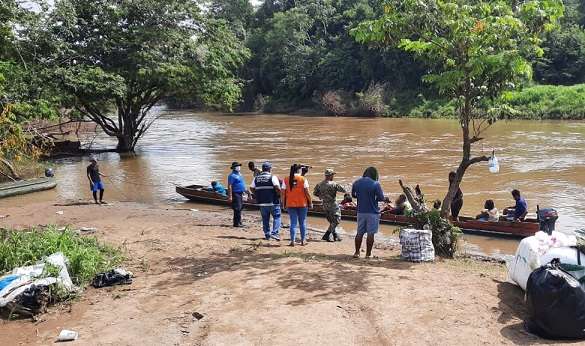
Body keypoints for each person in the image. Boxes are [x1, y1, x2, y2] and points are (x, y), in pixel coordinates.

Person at [351, 167, 385, 258]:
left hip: (360, 212)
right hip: (372, 212)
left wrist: (361, 196)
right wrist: (374, 198)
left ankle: (357, 252)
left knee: (359, 232)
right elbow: (381, 198)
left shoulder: (356, 182)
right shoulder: (375, 184)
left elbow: (353, 195)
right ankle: (368, 254)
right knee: (371, 233)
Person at [250, 162, 282, 241]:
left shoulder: (256, 178)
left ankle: (267, 235)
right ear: (269, 169)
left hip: (262, 203)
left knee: (265, 219)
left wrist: (257, 194)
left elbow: (251, 188)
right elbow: (277, 188)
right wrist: (279, 196)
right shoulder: (272, 177)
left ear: (263, 169)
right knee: (277, 217)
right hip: (273, 202)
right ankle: (275, 233)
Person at [282, 163, 312, 246]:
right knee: (302, 222)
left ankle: (292, 241)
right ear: (299, 170)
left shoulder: (286, 179)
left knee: (293, 223)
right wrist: (310, 202)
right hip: (302, 204)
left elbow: (283, 193)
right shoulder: (303, 179)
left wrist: (283, 204)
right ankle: (303, 241)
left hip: (290, 204)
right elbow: (307, 192)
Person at [313, 168, 346, 242]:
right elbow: (344, 190)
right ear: (330, 175)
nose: (333, 176)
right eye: (333, 175)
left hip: (324, 204)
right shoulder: (334, 184)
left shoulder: (319, 184)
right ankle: (326, 235)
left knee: (332, 221)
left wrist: (321, 196)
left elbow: (315, 193)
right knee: (337, 220)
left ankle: (335, 235)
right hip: (332, 205)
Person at [227, 162, 246, 227]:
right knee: (237, 208)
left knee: (240, 208)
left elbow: (242, 183)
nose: (239, 167)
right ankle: (236, 223)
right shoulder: (232, 175)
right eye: (237, 166)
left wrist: (245, 191)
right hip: (235, 193)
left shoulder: (240, 174)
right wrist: (230, 196)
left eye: (239, 166)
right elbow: (229, 186)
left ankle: (239, 222)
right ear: (234, 168)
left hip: (241, 193)